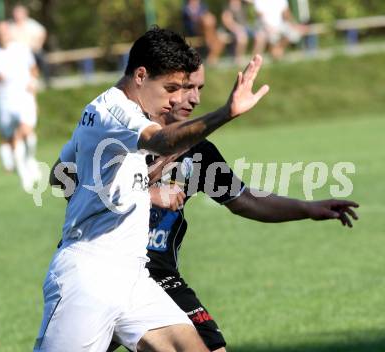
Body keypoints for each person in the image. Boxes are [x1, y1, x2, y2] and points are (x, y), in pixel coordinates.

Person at [36, 26, 269, 352]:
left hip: (131, 276)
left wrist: (127, 190)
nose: (177, 98)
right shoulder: (116, 111)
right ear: (141, 76)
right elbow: (159, 140)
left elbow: (61, 177)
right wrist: (226, 113)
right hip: (89, 275)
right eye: (170, 88)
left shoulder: (97, 112)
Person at [139, 64, 359, 352]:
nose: (194, 99)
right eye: (186, 87)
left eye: (199, 89)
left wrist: (308, 208)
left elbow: (246, 200)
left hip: (161, 279)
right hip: (102, 274)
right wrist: (146, 194)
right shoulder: (123, 136)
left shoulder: (199, 153)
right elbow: (68, 183)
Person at [0, 21, 40, 191]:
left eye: (5, 31)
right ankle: (24, 175)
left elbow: (34, 69)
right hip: (4, 101)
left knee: (27, 132)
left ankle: (29, 159)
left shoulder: (21, 49)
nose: (3, 35)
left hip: (23, 97)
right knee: (12, 139)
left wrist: (33, 84)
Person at [10, 4, 49, 86]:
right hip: (16, 53)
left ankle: (47, 81)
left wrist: (39, 45)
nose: (17, 15)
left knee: (41, 57)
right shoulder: (11, 26)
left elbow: (43, 33)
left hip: (32, 50)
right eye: (16, 13)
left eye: (19, 13)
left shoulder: (32, 24)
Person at [221, 0, 265, 65]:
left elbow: (252, 2)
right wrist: (237, 28)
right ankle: (238, 60)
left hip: (246, 27)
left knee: (260, 36)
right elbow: (227, 22)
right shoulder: (228, 7)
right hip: (234, 29)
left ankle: (256, 59)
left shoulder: (243, 4)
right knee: (242, 38)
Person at [183, 0, 225, 65]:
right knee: (207, 20)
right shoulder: (186, 8)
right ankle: (210, 41)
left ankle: (211, 58)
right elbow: (193, 19)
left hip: (206, 31)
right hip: (194, 31)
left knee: (210, 19)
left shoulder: (202, 6)